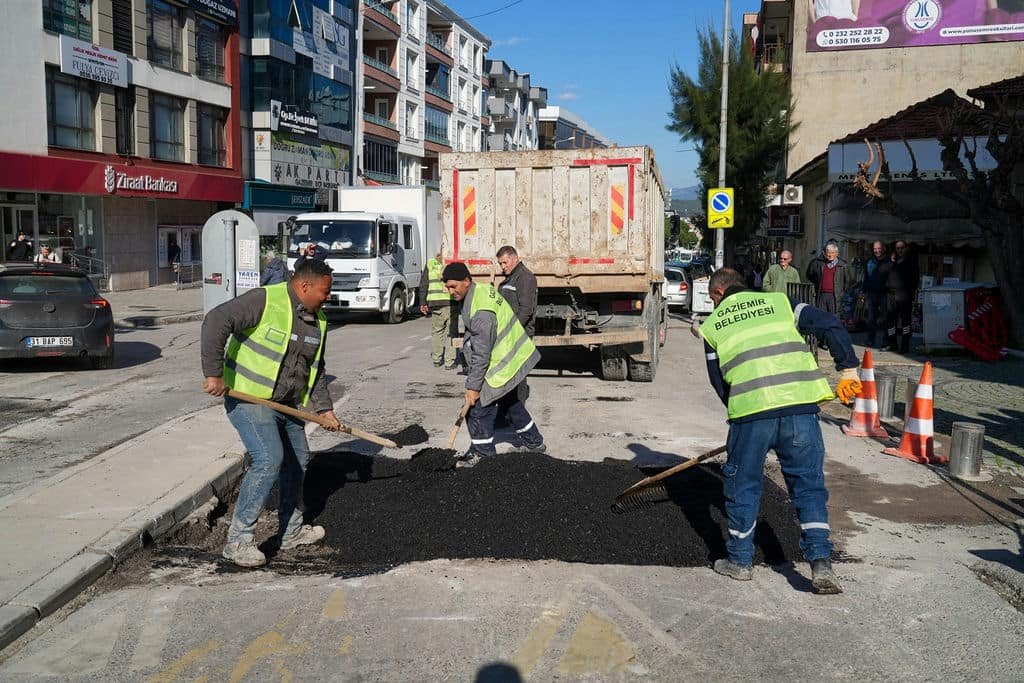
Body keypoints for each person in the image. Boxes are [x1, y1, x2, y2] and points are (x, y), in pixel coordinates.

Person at [700, 267, 861, 595]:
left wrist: (740, 417)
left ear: (717, 295)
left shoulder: (712, 325)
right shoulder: (781, 302)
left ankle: (740, 562)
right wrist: (848, 369)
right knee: (808, 487)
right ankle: (821, 564)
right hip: (801, 409)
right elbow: (830, 324)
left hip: (752, 414)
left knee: (743, 484)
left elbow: (720, 385)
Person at [201, 259, 342, 568]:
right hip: (249, 398)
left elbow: (315, 370)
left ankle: (290, 533)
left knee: (298, 460)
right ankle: (238, 541)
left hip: (286, 404)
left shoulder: (317, 321)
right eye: (325, 290)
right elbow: (216, 320)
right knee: (268, 459)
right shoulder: (265, 299)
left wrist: (325, 409)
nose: (328, 296)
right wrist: (213, 373)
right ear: (305, 286)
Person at [442, 261, 544, 468]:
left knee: (478, 408)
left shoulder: (481, 311)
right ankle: (534, 443)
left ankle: (482, 454)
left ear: (466, 281)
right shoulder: (479, 290)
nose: (450, 291)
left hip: (503, 362)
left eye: (454, 286)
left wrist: (473, 387)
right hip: (513, 356)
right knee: (510, 403)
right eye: (447, 286)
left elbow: (482, 353)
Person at [418, 249, 457, 368]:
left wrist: (422, 302)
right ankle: (449, 362)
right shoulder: (453, 263)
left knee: (437, 332)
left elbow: (424, 284)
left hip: (436, 303)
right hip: (451, 303)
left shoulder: (430, 263)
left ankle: (436, 359)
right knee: (452, 332)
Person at [496, 245, 538, 338]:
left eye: (505, 262)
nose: (502, 267)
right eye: (500, 263)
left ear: (515, 259)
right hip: (510, 333)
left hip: (520, 336)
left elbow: (526, 310)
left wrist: (511, 330)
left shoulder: (525, 277)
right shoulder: (512, 277)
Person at [885, 240, 919, 353]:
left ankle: (905, 346)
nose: (900, 250)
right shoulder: (891, 262)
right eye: (898, 248)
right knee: (890, 322)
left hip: (904, 295)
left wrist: (911, 295)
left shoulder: (911, 262)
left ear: (906, 248)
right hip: (891, 295)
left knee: (905, 322)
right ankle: (892, 344)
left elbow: (915, 280)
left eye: (902, 248)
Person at [805, 242, 851, 317]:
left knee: (834, 318)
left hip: (835, 296)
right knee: (821, 317)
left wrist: (841, 293)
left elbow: (848, 281)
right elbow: (810, 275)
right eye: (828, 252)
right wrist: (818, 283)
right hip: (821, 295)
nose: (830, 255)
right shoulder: (819, 263)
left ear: (836, 253)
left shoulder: (843, 265)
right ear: (825, 253)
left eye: (832, 253)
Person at [862, 241, 892, 348]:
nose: (877, 250)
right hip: (871, 293)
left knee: (885, 319)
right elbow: (866, 277)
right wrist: (864, 291)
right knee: (871, 318)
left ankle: (886, 342)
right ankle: (870, 340)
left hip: (885, 293)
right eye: (875, 248)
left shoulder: (889, 262)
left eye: (879, 248)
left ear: (883, 249)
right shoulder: (870, 262)